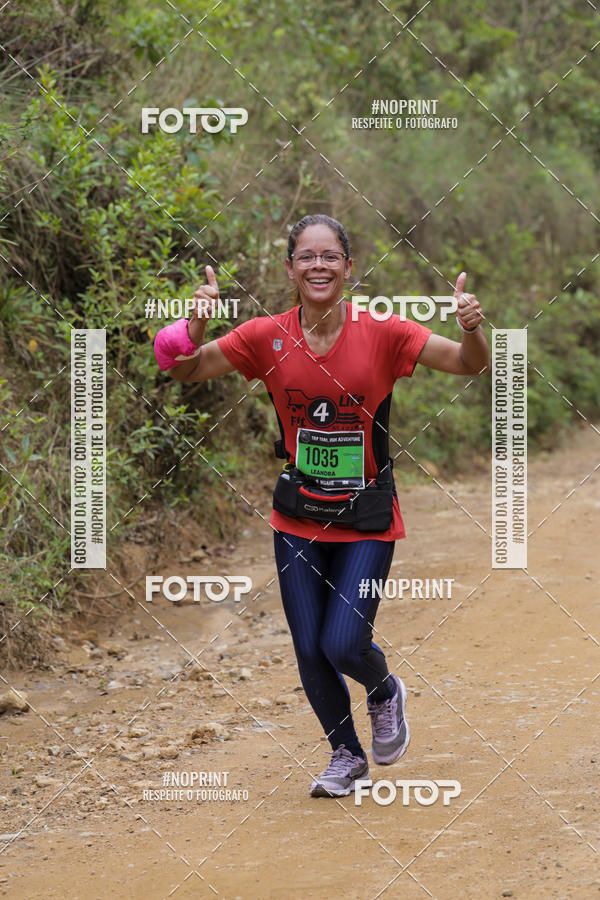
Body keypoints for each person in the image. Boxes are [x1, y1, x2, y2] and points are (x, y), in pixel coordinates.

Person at [153, 214, 489, 798]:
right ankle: (345, 754)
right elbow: (185, 371)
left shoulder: (383, 331)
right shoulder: (265, 336)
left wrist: (471, 329)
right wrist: (196, 321)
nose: (318, 265)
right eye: (306, 256)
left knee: (342, 644)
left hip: (365, 517)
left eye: (330, 255)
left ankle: (383, 691)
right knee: (309, 647)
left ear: (349, 268)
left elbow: (469, 364)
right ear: (290, 268)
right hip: (298, 516)